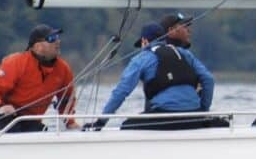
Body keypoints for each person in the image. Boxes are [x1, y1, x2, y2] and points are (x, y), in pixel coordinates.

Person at [87, 15, 221, 131]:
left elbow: (121, 91)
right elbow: (208, 79)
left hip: (164, 117)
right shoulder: (185, 53)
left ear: (144, 41)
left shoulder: (141, 58)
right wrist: (202, 111)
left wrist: (101, 122)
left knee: (126, 126)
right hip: (194, 117)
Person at [0, 24, 77, 133]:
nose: (58, 42)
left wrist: (70, 123)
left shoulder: (63, 69)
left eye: (57, 38)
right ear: (38, 47)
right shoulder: (15, 62)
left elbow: (66, 100)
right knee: (11, 128)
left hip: (27, 121)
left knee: (42, 131)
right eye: (52, 39)